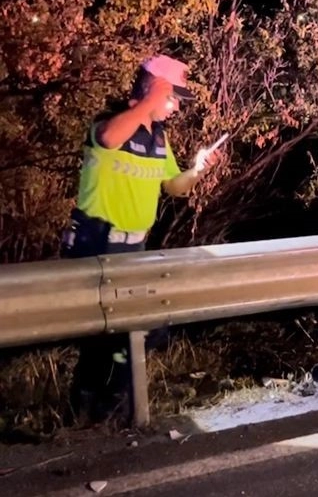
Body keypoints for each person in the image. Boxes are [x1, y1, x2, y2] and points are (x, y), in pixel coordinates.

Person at [63, 54, 222, 422]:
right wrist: (150, 100)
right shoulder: (110, 122)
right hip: (97, 244)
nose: (176, 107)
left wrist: (196, 169)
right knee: (103, 340)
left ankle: (109, 411)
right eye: (173, 97)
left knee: (137, 333)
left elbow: (174, 187)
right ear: (155, 89)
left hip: (134, 248)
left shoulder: (158, 138)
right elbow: (108, 138)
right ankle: (88, 415)